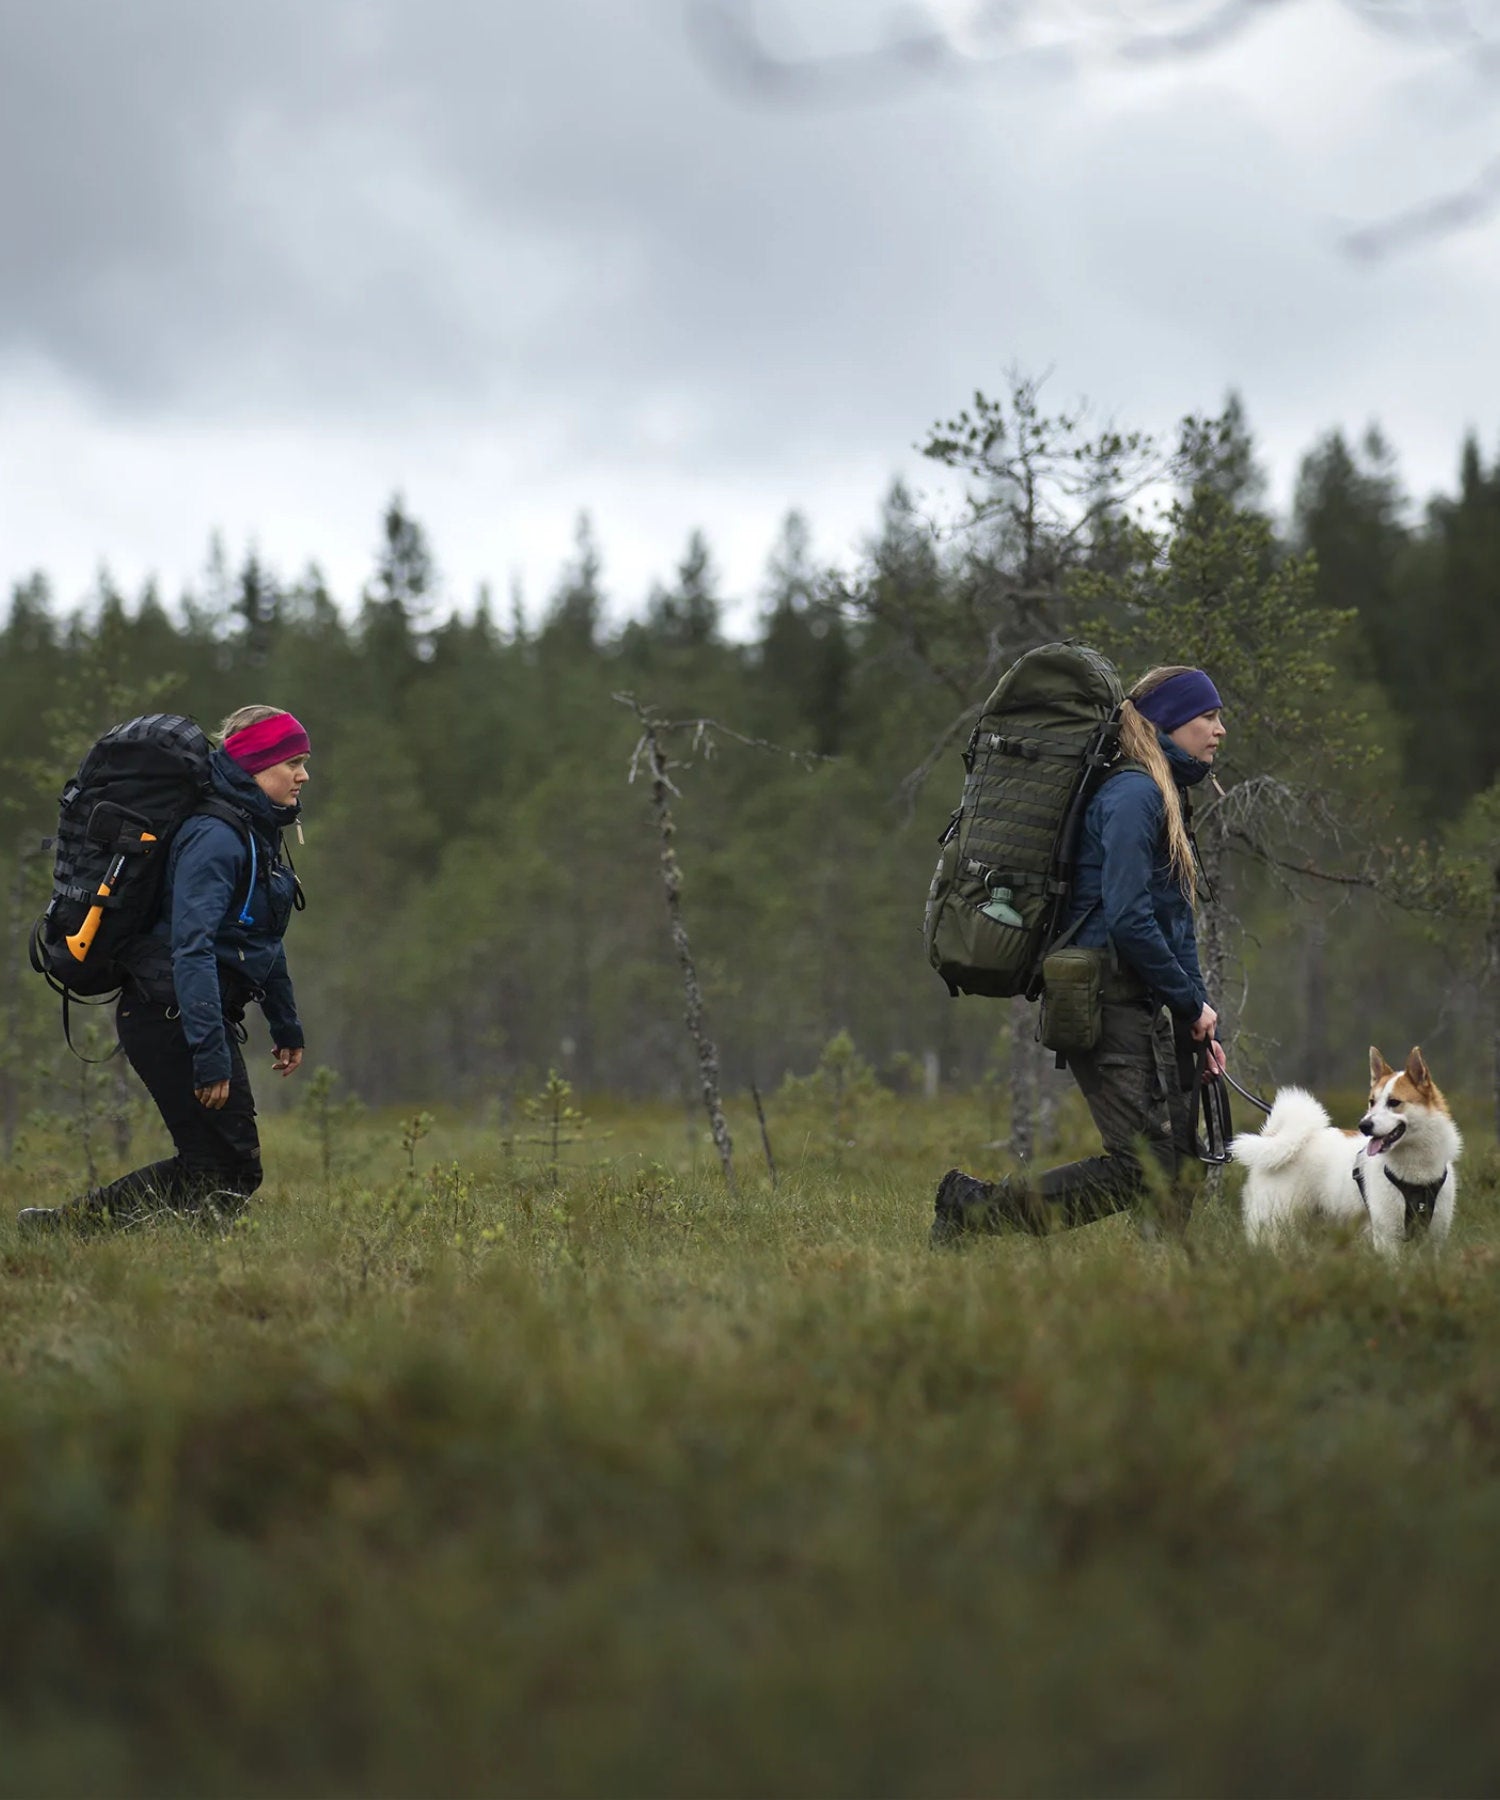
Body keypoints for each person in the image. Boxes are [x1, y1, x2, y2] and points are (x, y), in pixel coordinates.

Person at [931, 664, 1228, 1247]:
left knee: (1181, 1160)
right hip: (1104, 999)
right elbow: (1128, 917)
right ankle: (974, 1212)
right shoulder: (1135, 794)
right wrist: (1188, 1003)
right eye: (1209, 717)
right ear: (1170, 722)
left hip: (1136, 1000)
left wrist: (1196, 1015)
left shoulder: (1160, 792)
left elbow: (1172, 919)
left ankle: (1164, 1286)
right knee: (1143, 1165)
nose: (1220, 731)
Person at [19, 706, 310, 1233]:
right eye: (292, 761)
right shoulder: (216, 837)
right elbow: (191, 948)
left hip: (180, 1014)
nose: (303, 775)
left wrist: (286, 1025)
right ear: (256, 764)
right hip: (169, 1015)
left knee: (223, 1173)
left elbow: (259, 939)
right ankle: (60, 1232)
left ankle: (78, 1235)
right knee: (226, 1171)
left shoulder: (254, 832)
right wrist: (209, 1055)